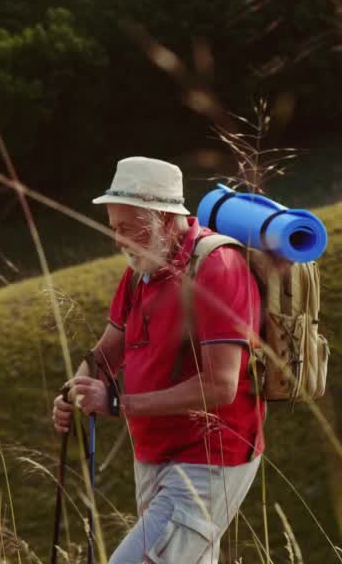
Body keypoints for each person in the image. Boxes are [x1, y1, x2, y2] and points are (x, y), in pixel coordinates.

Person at [52, 156, 264, 563]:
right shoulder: (139, 273)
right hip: (154, 456)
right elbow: (104, 354)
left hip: (208, 460)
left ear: (165, 221)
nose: (116, 239)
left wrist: (117, 404)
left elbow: (221, 385)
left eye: (125, 228)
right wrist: (73, 391)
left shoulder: (217, 268)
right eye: (114, 228)